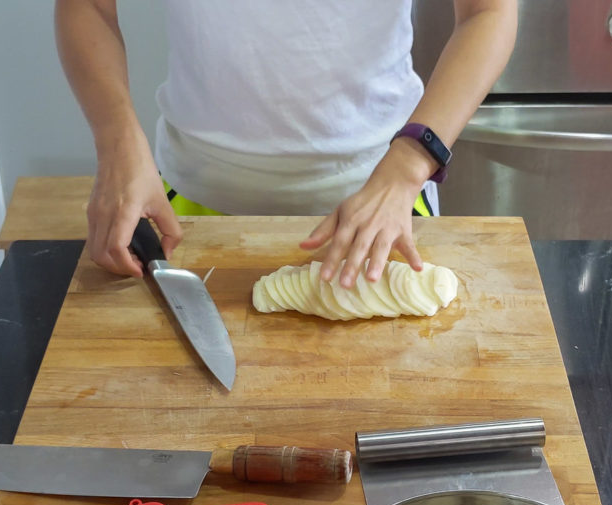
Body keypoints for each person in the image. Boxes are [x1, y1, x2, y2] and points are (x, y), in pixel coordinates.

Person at [55, 1, 517, 289]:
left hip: (383, 201)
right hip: (189, 206)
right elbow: (88, 6)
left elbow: (488, 12)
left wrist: (411, 163)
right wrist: (117, 146)